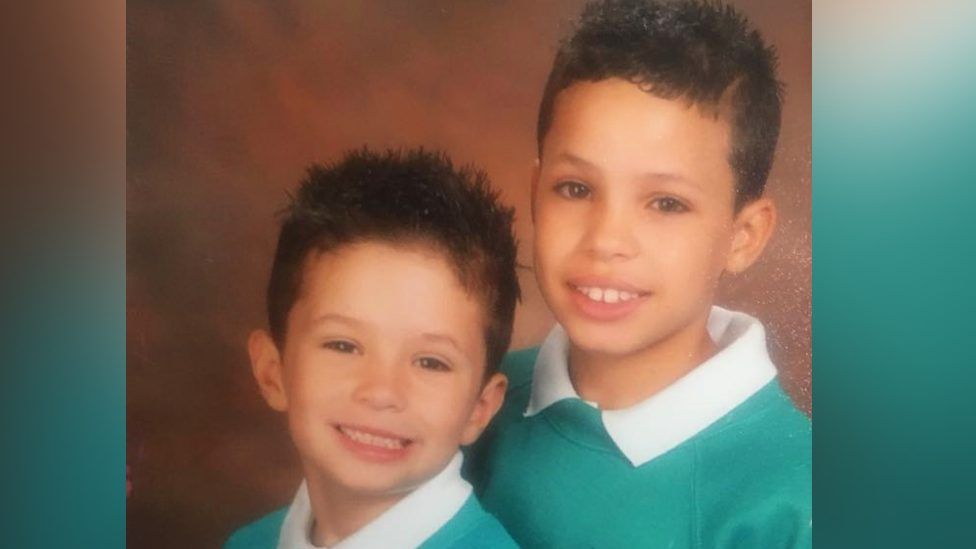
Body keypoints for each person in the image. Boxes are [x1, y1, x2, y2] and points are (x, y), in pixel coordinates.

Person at [466, 0, 812, 546]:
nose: (606, 240)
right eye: (576, 189)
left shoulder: (797, 500)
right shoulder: (468, 403)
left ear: (743, 236)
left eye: (667, 203)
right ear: (535, 194)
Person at [227, 148, 520, 548]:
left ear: (480, 408)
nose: (381, 391)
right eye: (344, 345)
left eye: (431, 362)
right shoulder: (248, 544)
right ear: (272, 371)